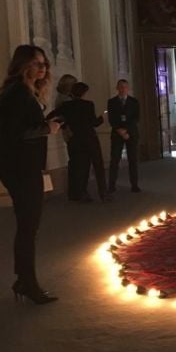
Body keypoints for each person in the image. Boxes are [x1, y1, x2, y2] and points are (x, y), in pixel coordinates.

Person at [0, 45, 60, 304]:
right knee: (28, 227)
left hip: (22, 167)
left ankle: (24, 279)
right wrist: (47, 128)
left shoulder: (20, 92)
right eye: (37, 63)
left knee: (27, 225)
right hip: (20, 169)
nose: (42, 68)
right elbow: (15, 133)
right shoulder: (17, 93)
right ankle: (27, 283)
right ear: (23, 64)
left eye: (44, 64)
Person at [51, 82, 109, 202]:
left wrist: (64, 124)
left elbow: (52, 116)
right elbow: (94, 123)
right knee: (97, 165)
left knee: (77, 166)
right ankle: (103, 193)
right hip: (90, 138)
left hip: (75, 139)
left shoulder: (66, 105)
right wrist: (102, 118)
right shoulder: (88, 105)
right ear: (84, 93)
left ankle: (76, 193)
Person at [107, 79, 140, 193]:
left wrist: (126, 130)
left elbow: (136, 118)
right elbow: (111, 118)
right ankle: (111, 185)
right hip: (117, 134)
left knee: (133, 159)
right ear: (117, 88)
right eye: (121, 87)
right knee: (114, 160)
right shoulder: (111, 102)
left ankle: (134, 185)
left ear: (128, 88)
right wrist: (119, 130)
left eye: (125, 87)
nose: (123, 89)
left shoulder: (134, 102)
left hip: (131, 133)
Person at [51, 73, 77, 199]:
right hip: (70, 131)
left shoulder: (65, 98)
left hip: (70, 130)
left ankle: (75, 189)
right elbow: (64, 116)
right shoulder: (64, 100)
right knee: (74, 160)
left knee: (75, 159)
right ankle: (74, 189)